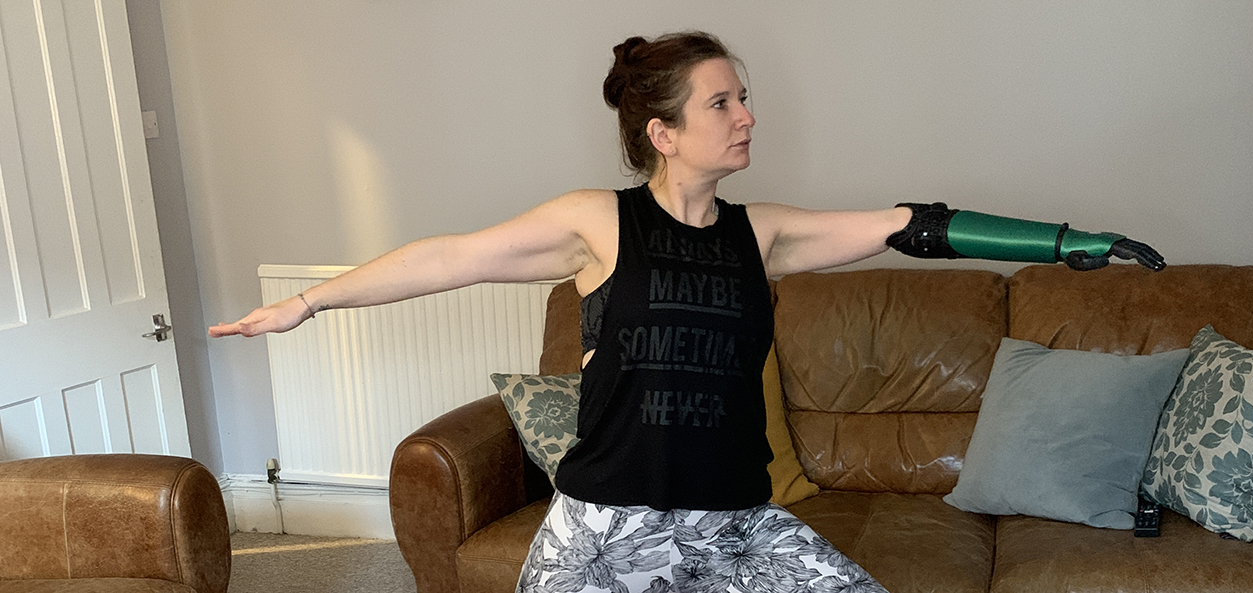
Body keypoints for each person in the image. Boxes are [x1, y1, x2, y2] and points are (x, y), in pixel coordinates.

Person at [211, 31, 1163, 593]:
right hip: (604, 530)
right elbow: (449, 259)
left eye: (745, 98)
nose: (747, 115)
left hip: (736, 525)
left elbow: (912, 224)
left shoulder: (767, 234)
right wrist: (307, 300)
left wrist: (1069, 243)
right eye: (723, 103)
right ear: (663, 133)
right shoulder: (599, 225)